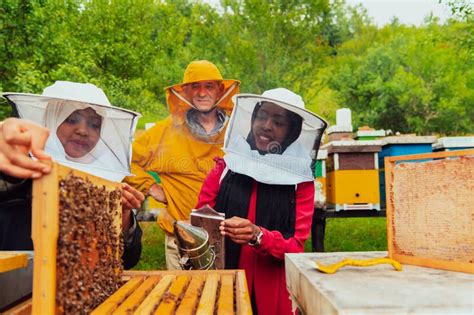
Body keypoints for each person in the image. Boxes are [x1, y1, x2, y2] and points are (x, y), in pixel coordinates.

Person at [196, 88, 327, 315]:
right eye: (262, 116)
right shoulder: (225, 167)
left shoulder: (300, 182)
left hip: (273, 288)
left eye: (278, 122)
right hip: (224, 283)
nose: (266, 125)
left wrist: (259, 236)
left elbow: (295, 246)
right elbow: (200, 221)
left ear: (292, 131)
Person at [1, 81, 144, 269]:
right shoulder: (18, 163)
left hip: (79, 293)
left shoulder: (105, 181)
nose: (83, 131)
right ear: (50, 120)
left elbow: (128, 261)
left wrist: (123, 213)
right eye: (71, 119)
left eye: (95, 125)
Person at [124, 60, 240, 269]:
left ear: (221, 90)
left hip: (229, 237)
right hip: (180, 238)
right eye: (195, 86)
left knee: (225, 298)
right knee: (183, 298)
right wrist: (151, 187)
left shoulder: (236, 131)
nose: (202, 93)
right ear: (185, 92)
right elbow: (125, 159)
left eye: (209, 86)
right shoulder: (165, 131)